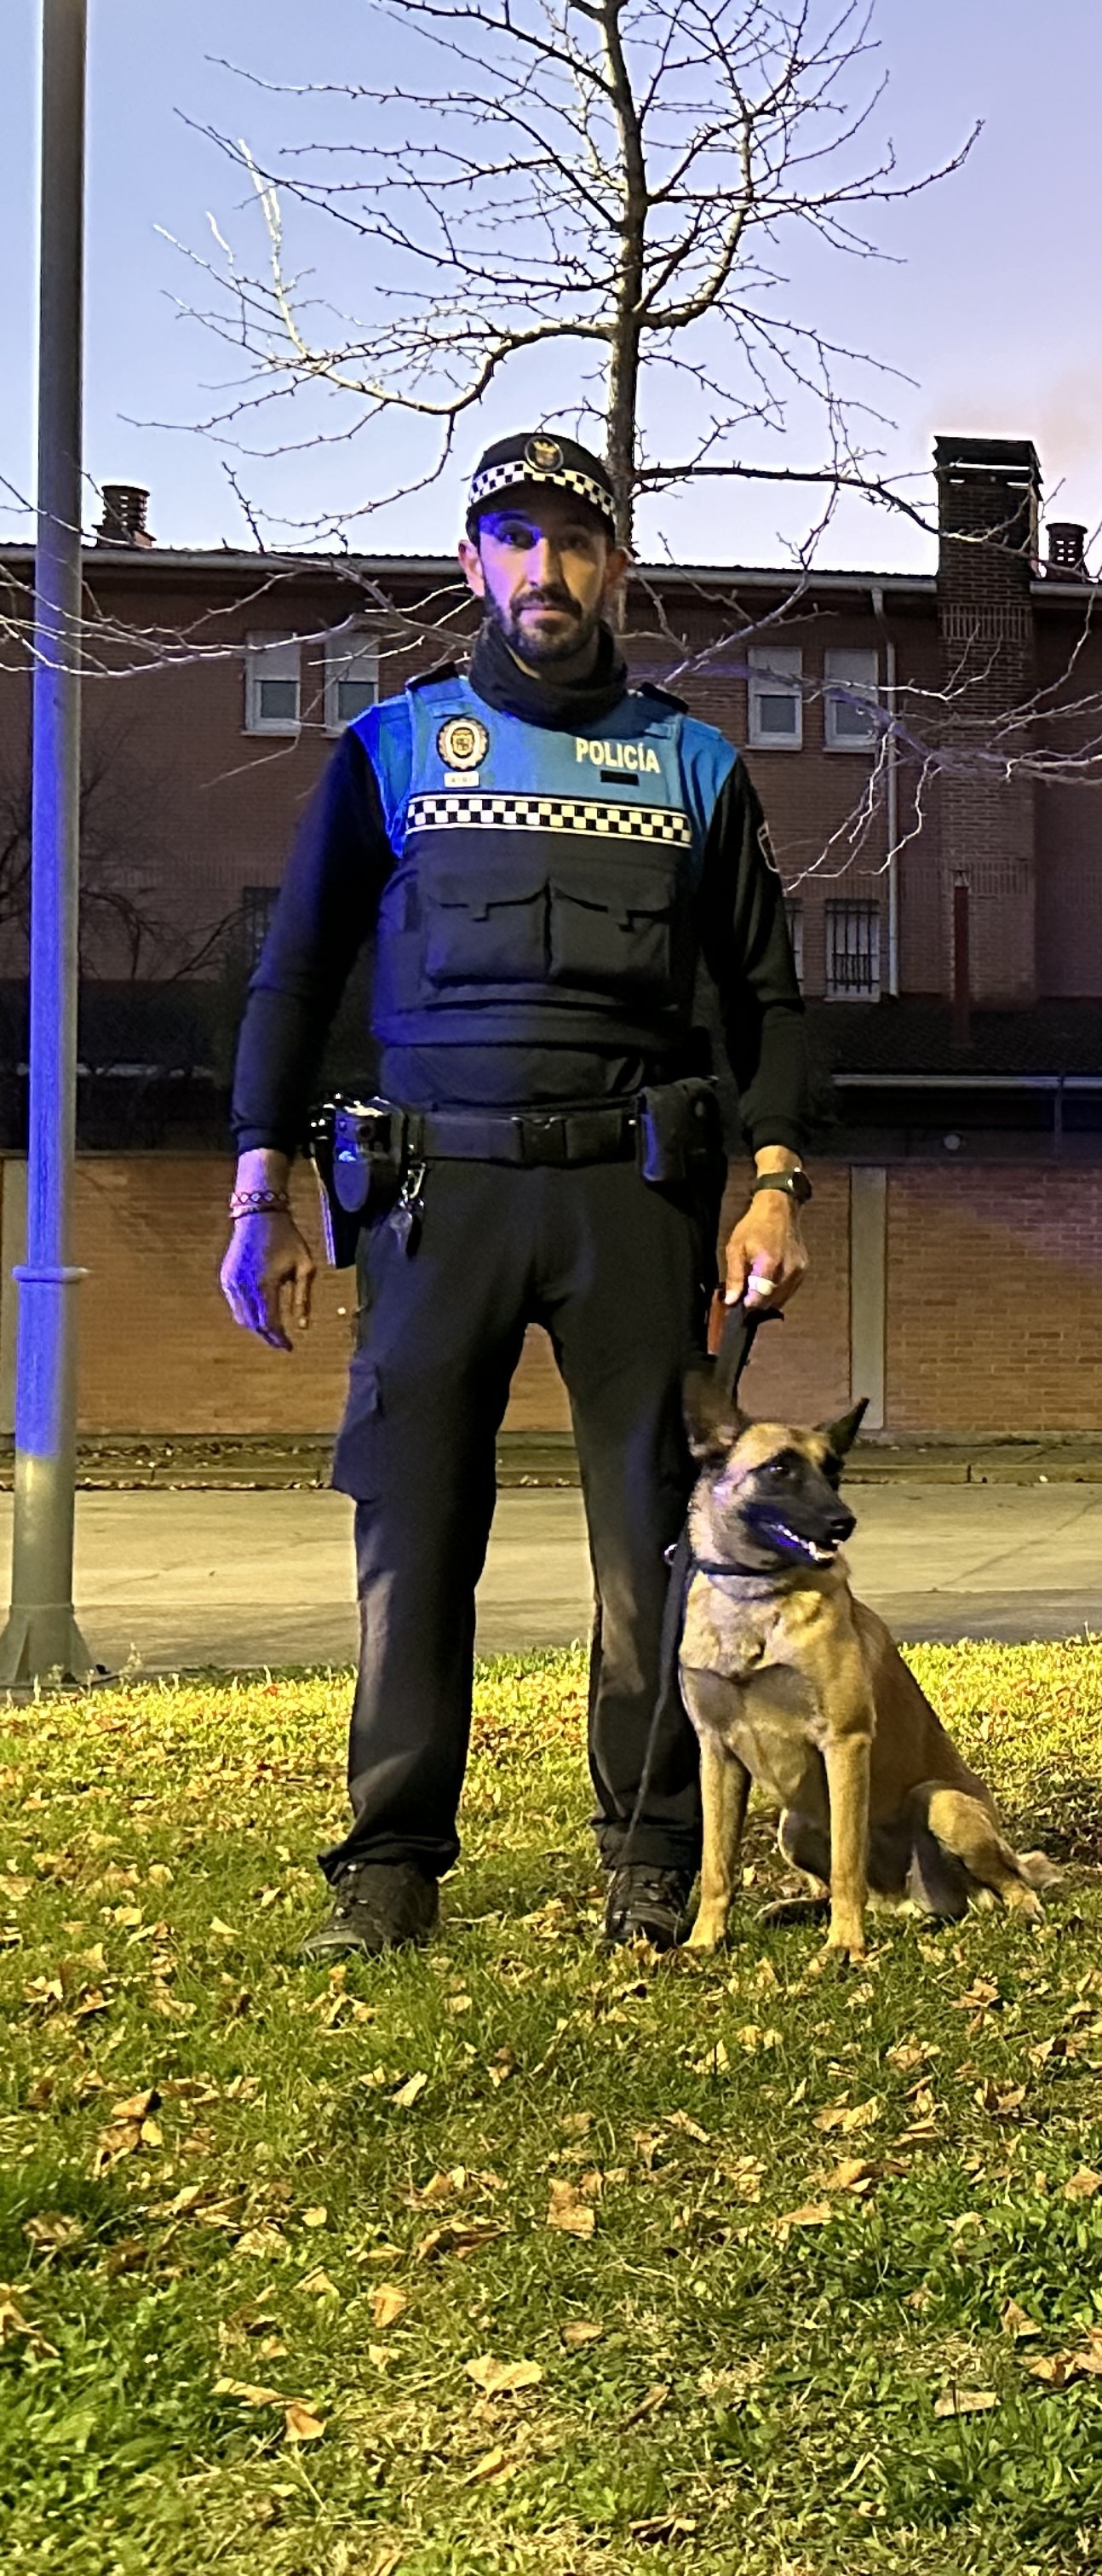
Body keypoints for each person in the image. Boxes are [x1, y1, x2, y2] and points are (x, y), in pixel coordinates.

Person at [221, 429, 811, 1962]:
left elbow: (767, 1001)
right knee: (413, 1535)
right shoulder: (392, 749)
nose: (546, 568)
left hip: (635, 1199)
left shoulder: (694, 763)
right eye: (517, 539)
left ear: (617, 567)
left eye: (575, 540)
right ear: (475, 562)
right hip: (437, 1201)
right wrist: (258, 1187)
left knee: (654, 1537)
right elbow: (294, 974)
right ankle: (390, 1865)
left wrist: (774, 1184)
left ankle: (652, 1855)